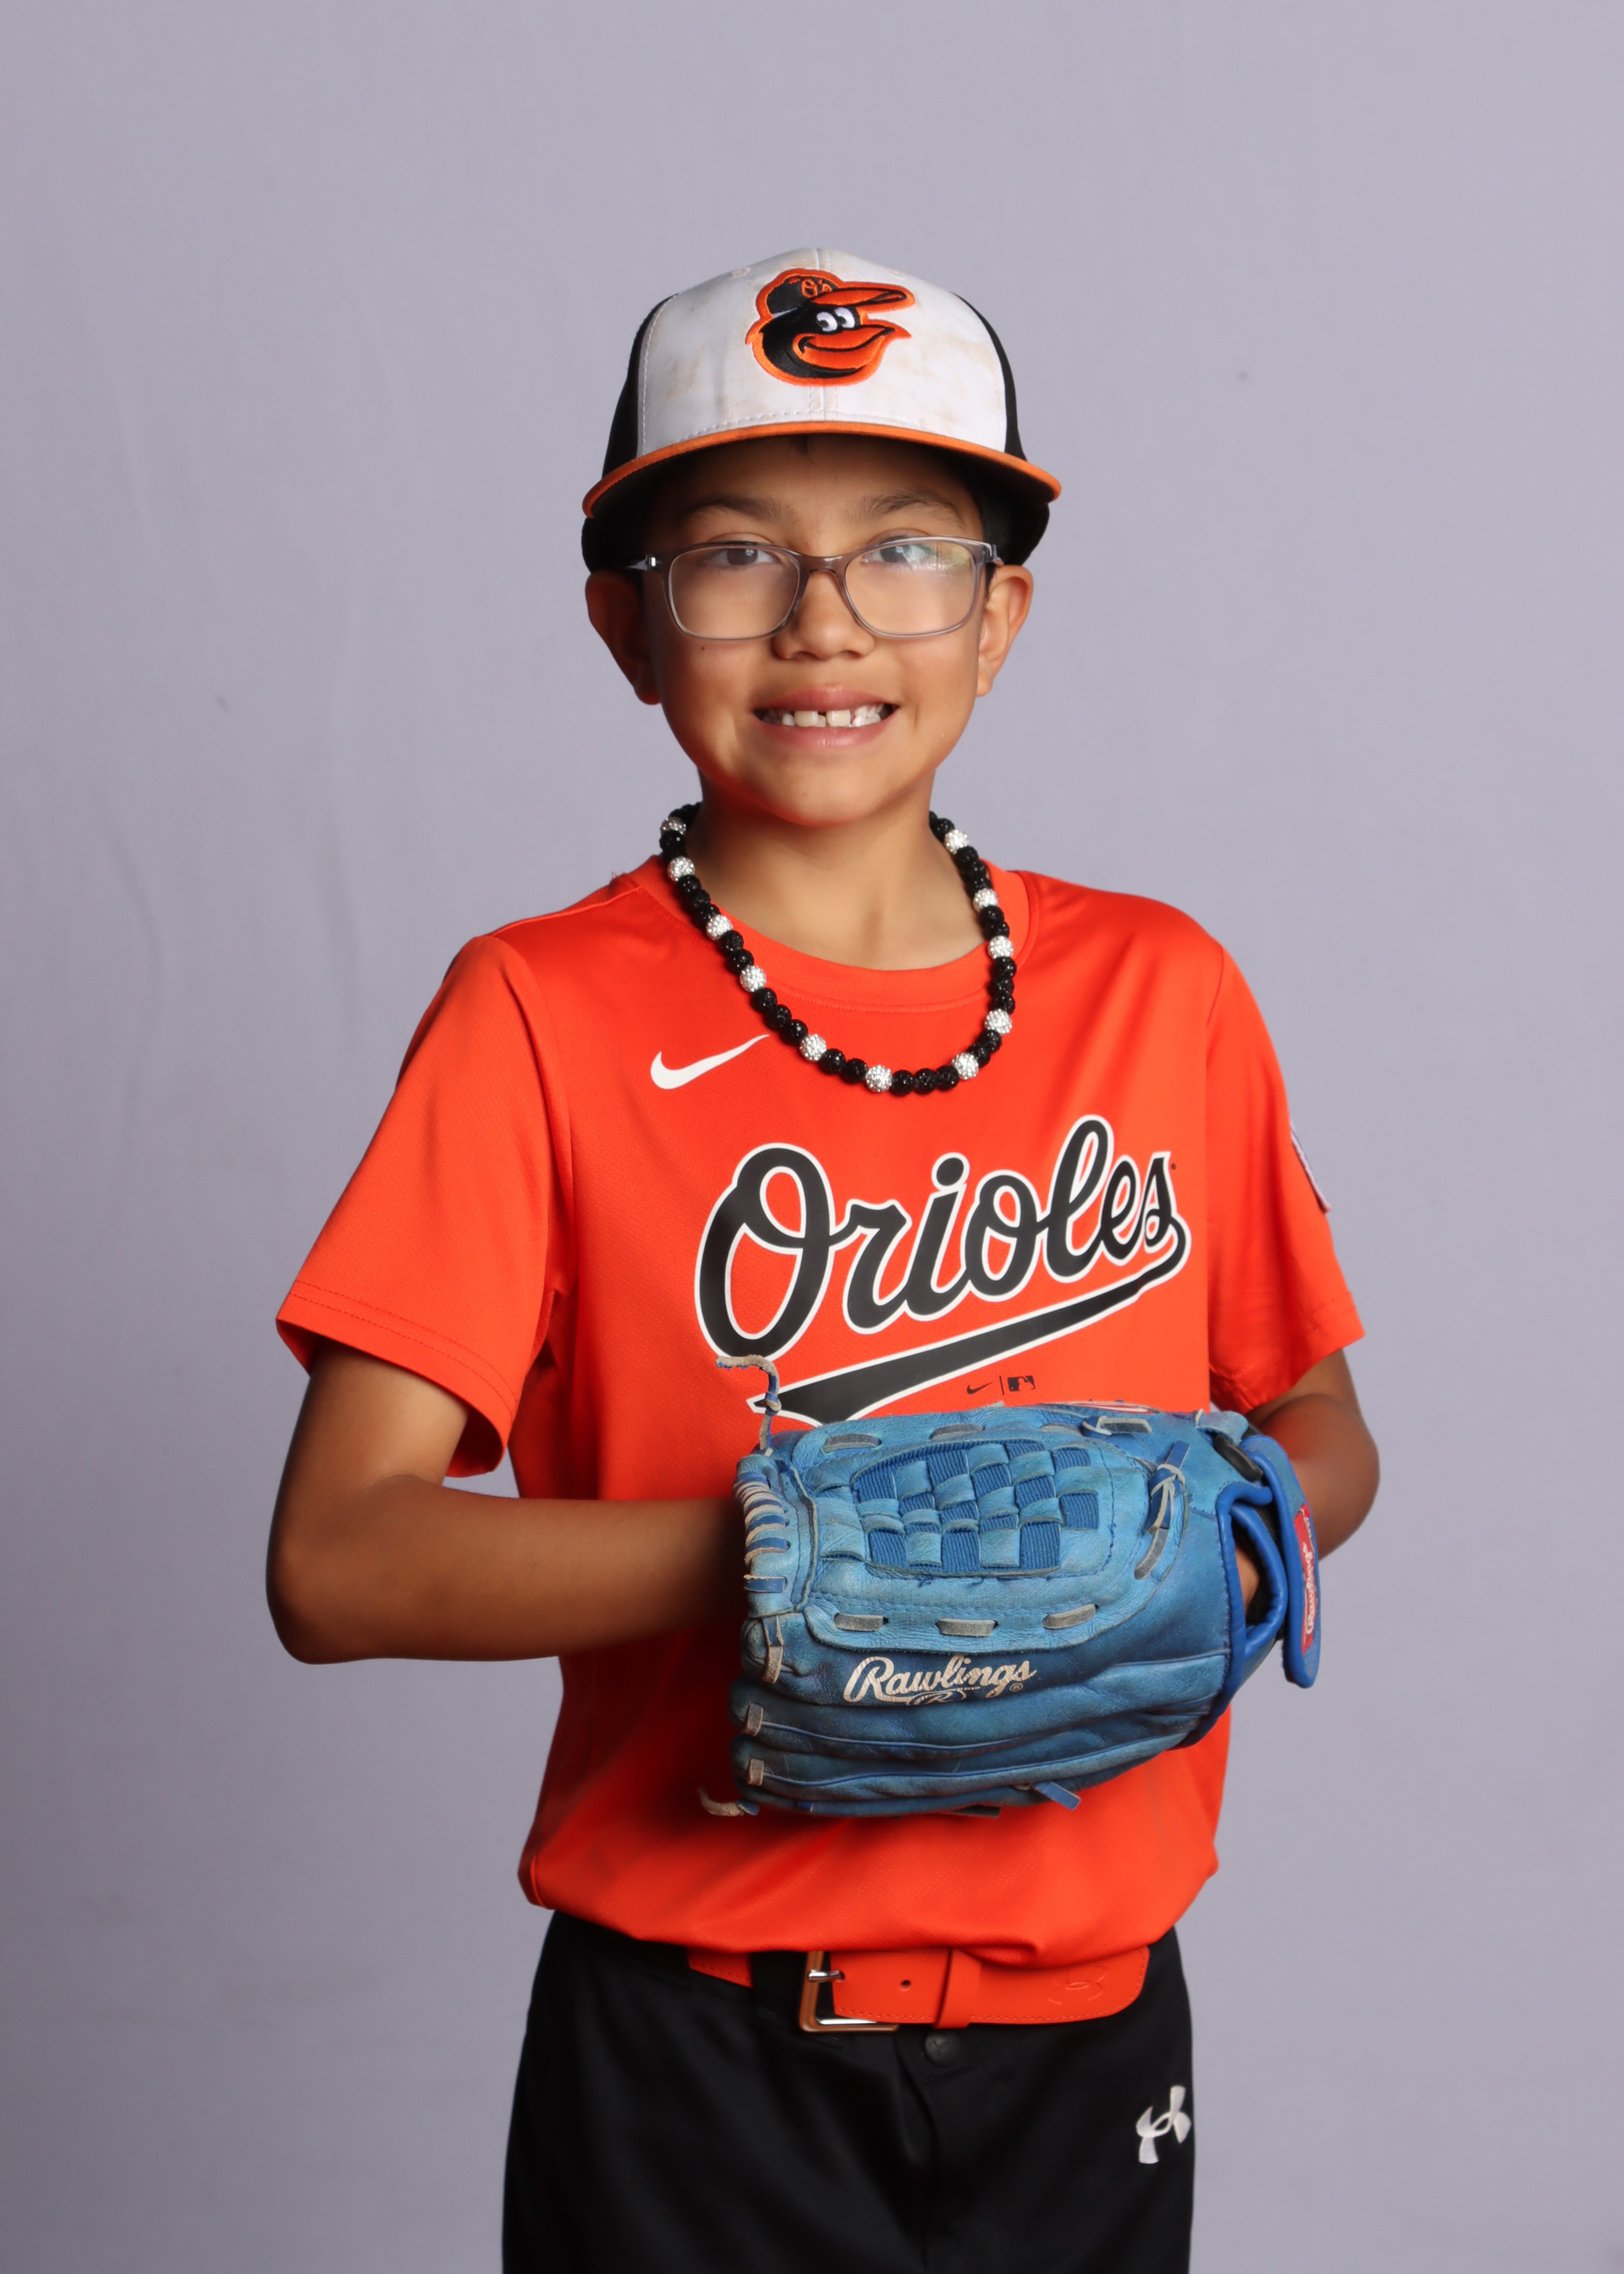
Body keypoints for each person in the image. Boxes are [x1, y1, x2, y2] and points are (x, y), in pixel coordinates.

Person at [267, 249, 1379, 2274]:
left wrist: (1192, 1544)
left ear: (998, 616)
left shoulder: (1165, 989)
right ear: (626, 623)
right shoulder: (536, 1013)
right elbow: (336, 1560)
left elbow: (1318, 1421)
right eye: (731, 555)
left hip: (1093, 2026)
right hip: (699, 2050)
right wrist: (805, 1552)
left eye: (906, 547)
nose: (825, 619)